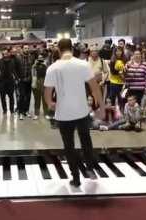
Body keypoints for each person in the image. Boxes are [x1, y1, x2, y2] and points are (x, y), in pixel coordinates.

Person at [44, 39, 105, 187]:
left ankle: (76, 177)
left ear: (58, 49)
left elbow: (47, 93)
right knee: (86, 141)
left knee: (69, 146)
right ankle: (90, 168)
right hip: (82, 111)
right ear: (72, 48)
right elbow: (95, 88)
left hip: (63, 114)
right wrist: (101, 108)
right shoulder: (83, 64)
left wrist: (51, 104)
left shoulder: (52, 68)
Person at [0, 49, 17, 116]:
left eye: (6, 52)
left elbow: (14, 70)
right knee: (2, 97)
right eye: (4, 52)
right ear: (2, 53)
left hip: (10, 81)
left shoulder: (12, 61)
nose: (5, 54)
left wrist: (16, 78)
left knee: (11, 97)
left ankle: (11, 110)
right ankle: (4, 110)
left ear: (8, 53)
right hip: (2, 82)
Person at [17, 45, 34, 120]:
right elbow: (15, 69)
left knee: (28, 96)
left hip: (29, 80)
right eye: (25, 48)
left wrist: (31, 77)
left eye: (27, 48)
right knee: (22, 96)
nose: (26, 49)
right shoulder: (18, 58)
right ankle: (20, 112)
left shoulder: (31, 57)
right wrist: (18, 78)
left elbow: (32, 68)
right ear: (22, 49)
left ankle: (26, 111)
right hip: (21, 80)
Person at [32, 55, 48, 120]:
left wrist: (45, 64)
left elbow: (47, 74)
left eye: (41, 58)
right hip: (37, 82)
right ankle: (36, 114)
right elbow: (33, 74)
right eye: (39, 58)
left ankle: (46, 113)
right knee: (37, 99)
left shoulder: (45, 66)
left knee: (45, 99)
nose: (40, 59)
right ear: (37, 59)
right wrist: (34, 65)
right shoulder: (34, 66)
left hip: (44, 82)